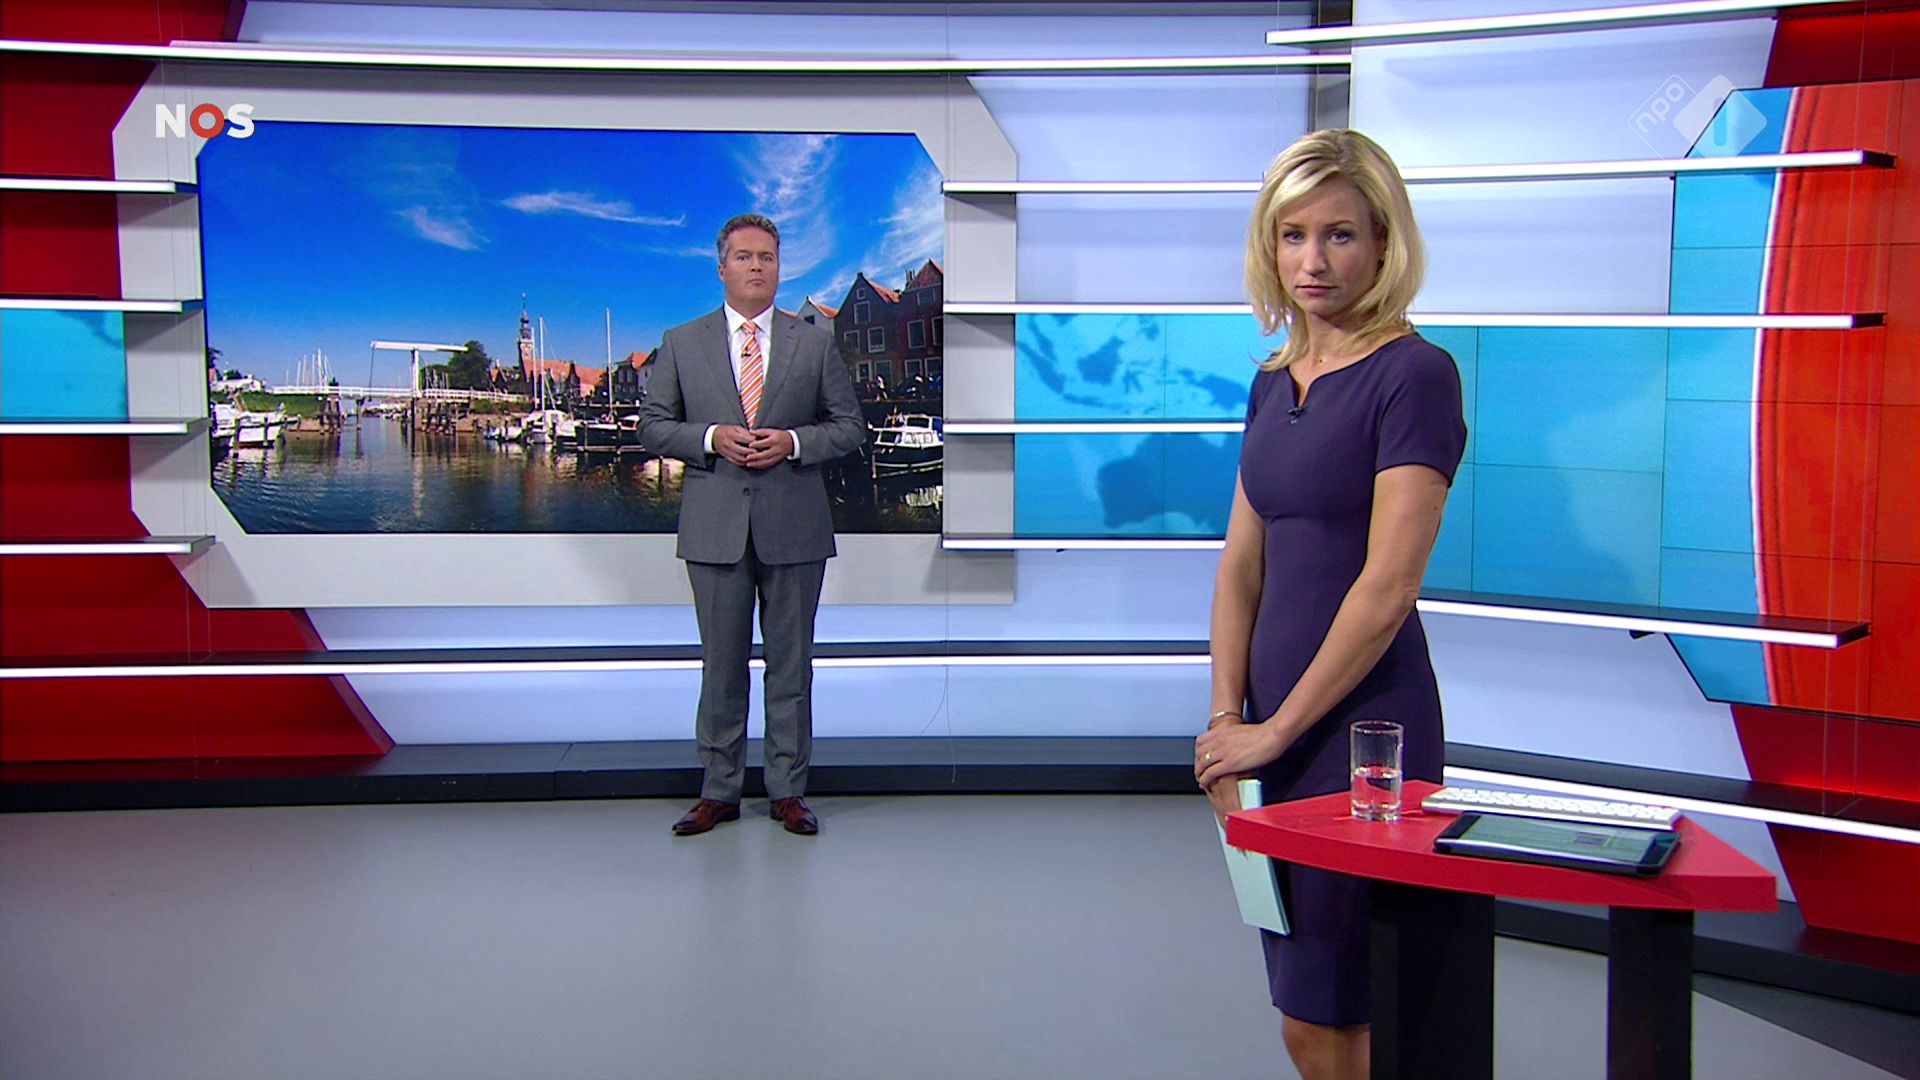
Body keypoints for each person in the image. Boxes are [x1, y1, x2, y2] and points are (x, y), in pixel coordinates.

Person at [1194, 130, 1467, 1080]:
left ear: (1385, 243)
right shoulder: (1271, 383)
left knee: (1339, 1012)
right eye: (1293, 234)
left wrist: (1275, 733)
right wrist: (1227, 723)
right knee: (1303, 1009)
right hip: (1265, 729)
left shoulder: (1416, 375)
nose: (1313, 260)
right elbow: (1241, 563)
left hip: (1363, 734)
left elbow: (1387, 588)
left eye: (1340, 235)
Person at [638, 213, 868, 837]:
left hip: (795, 526)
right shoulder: (682, 342)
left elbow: (849, 427)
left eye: (767, 256)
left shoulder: (812, 343)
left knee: (791, 667)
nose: (757, 266)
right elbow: (653, 426)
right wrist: (711, 437)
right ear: (722, 268)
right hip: (714, 528)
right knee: (721, 667)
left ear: (779, 267)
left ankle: (788, 791)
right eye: (744, 256)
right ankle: (719, 791)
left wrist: (793, 442)